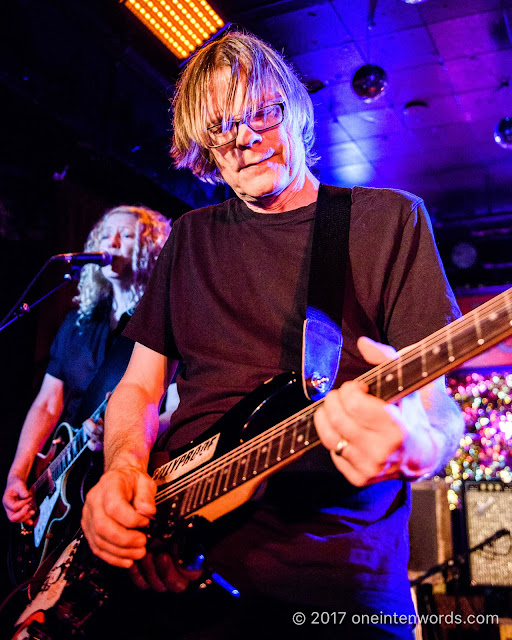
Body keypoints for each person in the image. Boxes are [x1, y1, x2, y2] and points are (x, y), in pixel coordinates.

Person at [81, 32, 464, 639]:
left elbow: (438, 407)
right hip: (177, 562)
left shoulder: (388, 219)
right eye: (224, 125)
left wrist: (421, 445)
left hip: (338, 581)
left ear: (293, 107)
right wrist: (123, 469)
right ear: (203, 147)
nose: (247, 138)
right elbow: (139, 388)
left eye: (262, 111)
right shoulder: (189, 237)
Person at [3, 204, 171, 528]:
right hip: (60, 477)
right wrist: (17, 475)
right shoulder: (79, 321)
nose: (112, 243)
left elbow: (175, 407)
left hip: (114, 481)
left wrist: (128, 430)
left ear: (151, 249)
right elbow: (48, 403)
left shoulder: (161, 321)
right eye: (106, 236)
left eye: (127, 236)